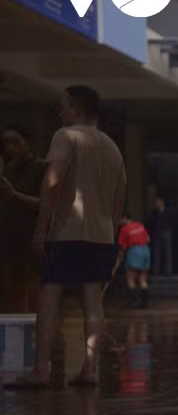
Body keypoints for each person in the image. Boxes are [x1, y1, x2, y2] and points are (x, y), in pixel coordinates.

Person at [4, 85, 126, 390]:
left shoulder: (65, 136)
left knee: (48, 297)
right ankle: (90, 369)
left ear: (75, 108)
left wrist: (41, 229)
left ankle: (41, 370)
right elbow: (118, 200)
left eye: (63, 106)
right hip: (101, 236)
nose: (60, 112)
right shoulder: (112, 146)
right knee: (92, 302)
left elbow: (53, 183)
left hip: (68, 232)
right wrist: (111, 239)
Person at [0, 126, 46, 314]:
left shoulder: (40, 168)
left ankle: (43, 336)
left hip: (30, 236)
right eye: (6, 143)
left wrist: (14, 195)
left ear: (27, 143)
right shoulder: (7, 169)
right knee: (12, 289)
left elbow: (46, 204)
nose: (11, 147)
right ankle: (18, 338)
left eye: (15, 142)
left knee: (34, 289)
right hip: (8, 237)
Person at [117, 212, 152, 308]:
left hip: (134, 251)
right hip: (145, 251)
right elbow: (148, 239)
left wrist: (120, 258)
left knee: (130, 279)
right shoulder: (140, 225)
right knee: (142, 280)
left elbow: (123, 247)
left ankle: (132, 303)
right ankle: (144, 303)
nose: (119, 222)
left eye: (120, 219)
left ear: (124, 218)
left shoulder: (124, 229)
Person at [147, 195, 173, 276]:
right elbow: (150, 222)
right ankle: (155, 271)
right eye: (155, 203)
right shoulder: (153, 213)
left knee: (167, 252)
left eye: (158, 202)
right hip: (156, 233)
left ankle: (167, 271)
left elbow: (172, 222)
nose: (156, 204)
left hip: (166, 232)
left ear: (162, 203)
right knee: (156, 253)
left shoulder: (168, 212)